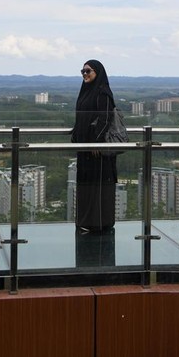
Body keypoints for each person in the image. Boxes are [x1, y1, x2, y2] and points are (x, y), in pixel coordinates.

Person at [71, 59, 118, 232]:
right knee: (85, 184)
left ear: (98, 72)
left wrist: (96, 142)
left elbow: (105, 119)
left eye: (88, 71)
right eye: (82, 71)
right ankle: (86, 221)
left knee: (98, 186)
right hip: (85, 149)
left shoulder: (102, 93)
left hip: (98, 151)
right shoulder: (86, 92)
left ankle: (100, 223)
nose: (85, 74)